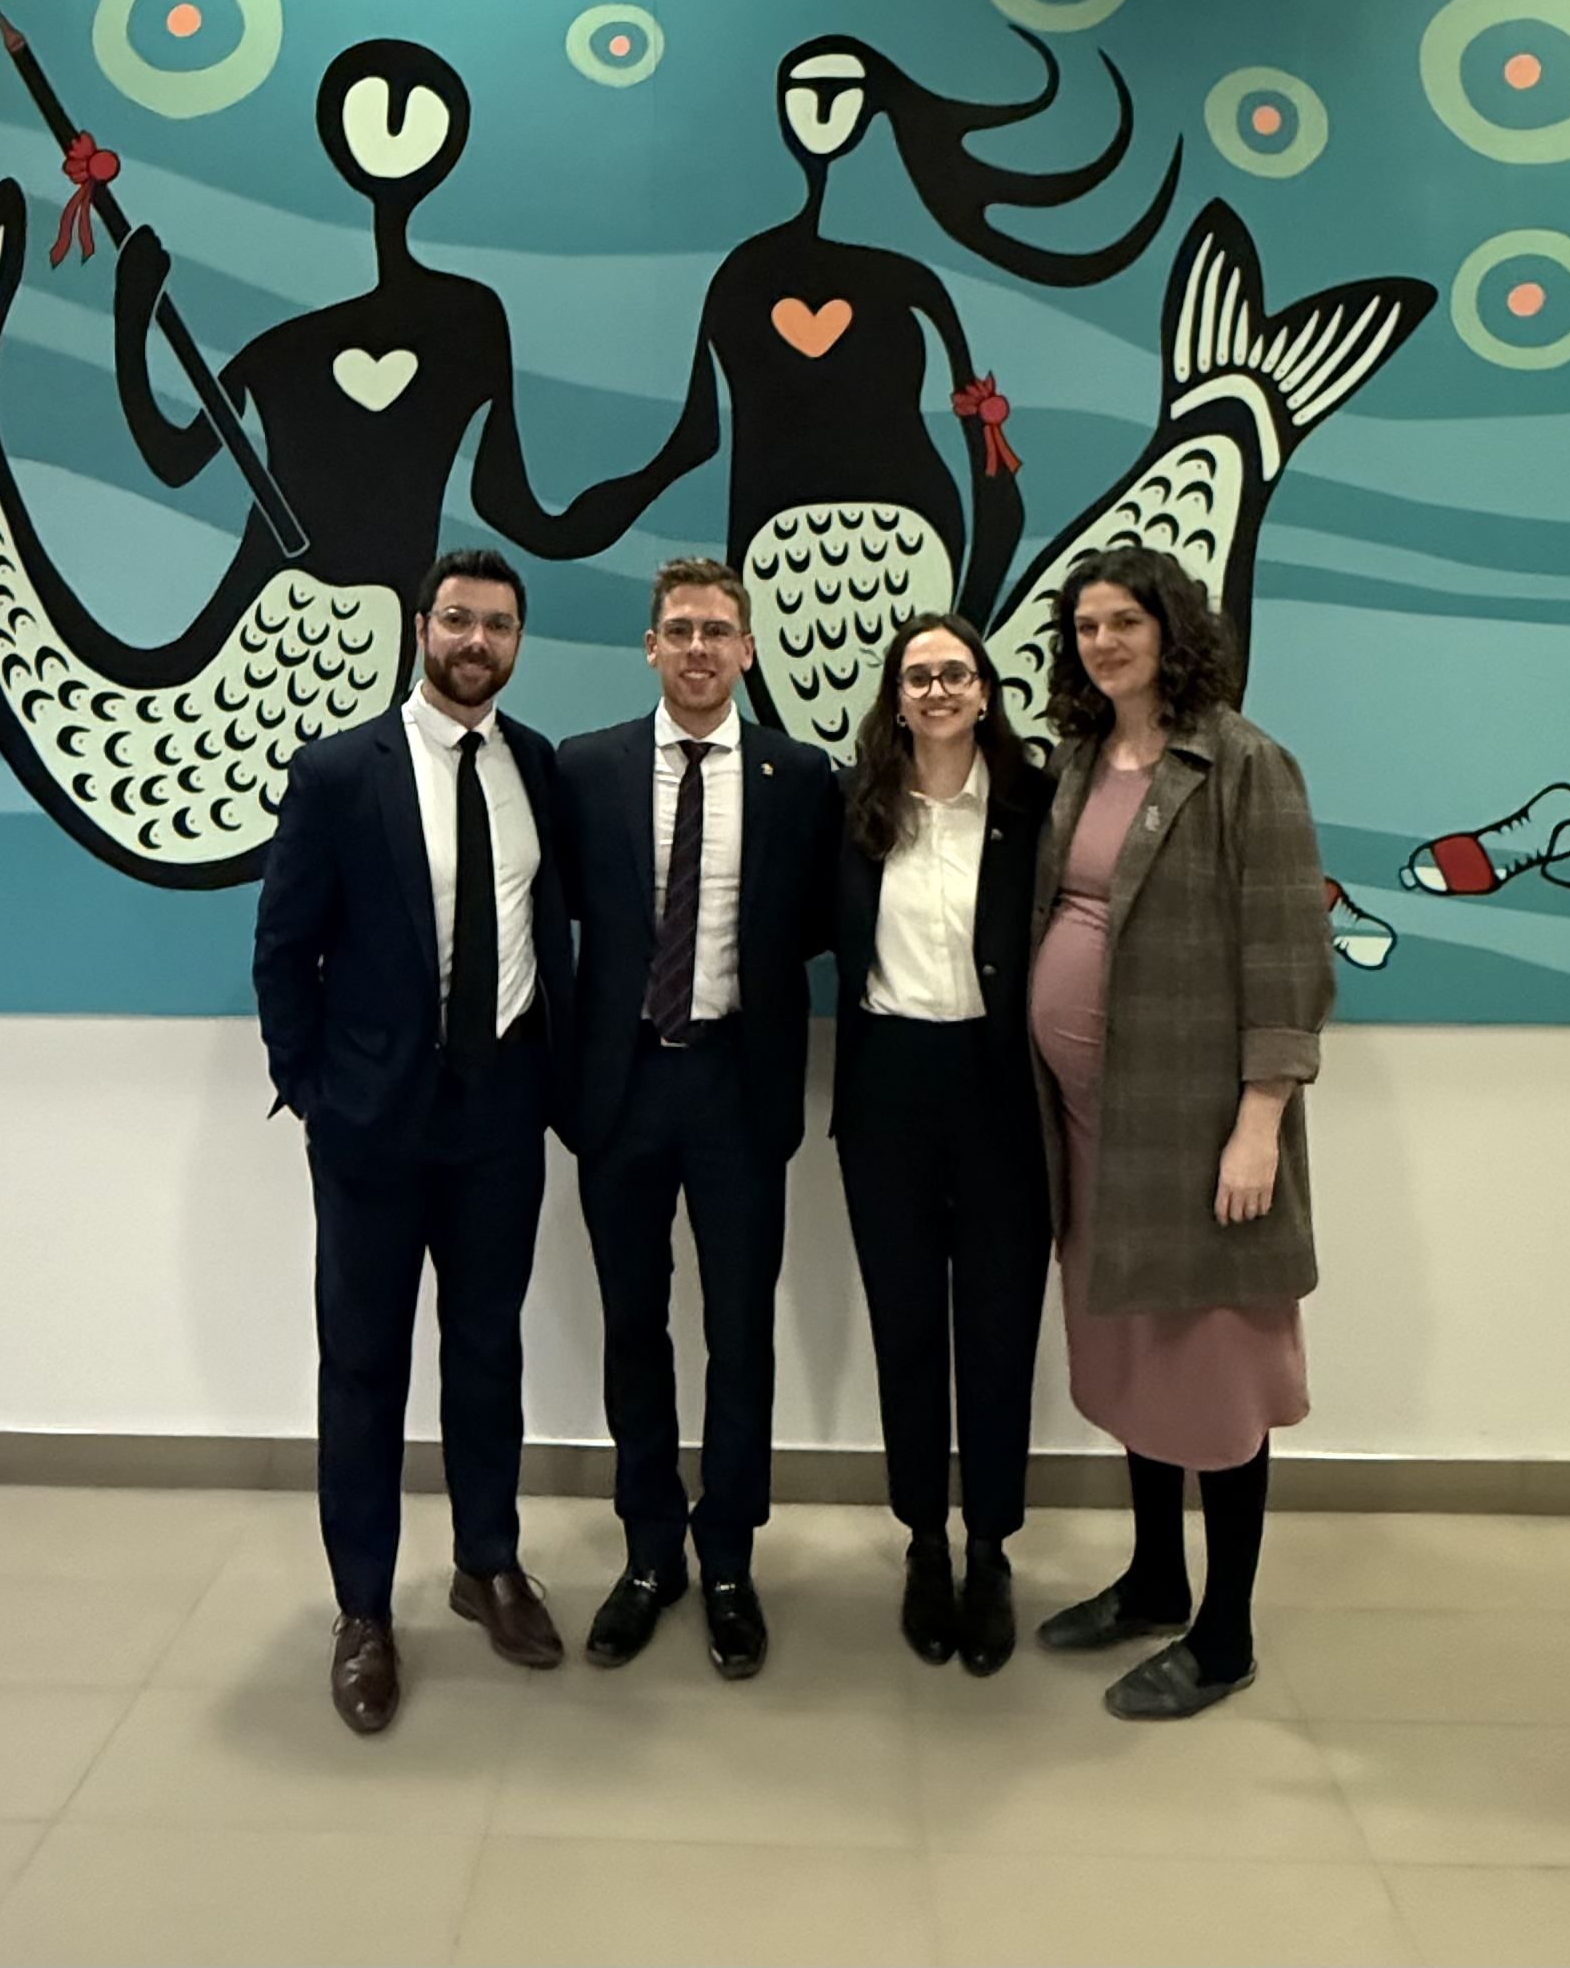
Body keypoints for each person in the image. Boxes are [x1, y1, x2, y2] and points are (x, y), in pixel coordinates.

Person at [253, 547, 576, 1736]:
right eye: (457, 619)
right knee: (363, 1367)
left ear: (516, 640)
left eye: (496, 624)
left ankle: (487, 1561)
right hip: (372, 1126)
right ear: (421, 628)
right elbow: (283, 945)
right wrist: (310, 1088)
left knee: (487, 1348)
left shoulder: (534, 765)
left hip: (500, 1116)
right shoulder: (343, 772)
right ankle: (362, 1609)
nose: (475, 640)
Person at [1028, 544, 1335, 1719]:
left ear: (1170, 628)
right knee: (1131, 1363)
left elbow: (1286, 955)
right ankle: (1154, 1578)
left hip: (1198, 1131)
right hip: (1091, 1127)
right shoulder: (1081, 758)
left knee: (1213, 1380)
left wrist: (1257, 1121)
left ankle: (1224, 1632)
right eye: (1084, 625)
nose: (1101, 642)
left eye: (1122, 621)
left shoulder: (1243, 762)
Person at [558, 559, 840, 1679]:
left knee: (740, 1333)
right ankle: (646, 1552)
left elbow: (820, 918)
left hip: (737, 1084)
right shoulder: (586, 769)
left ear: (748, 649)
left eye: (718, 630)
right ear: (649, 645)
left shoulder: (796, 775)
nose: (697, 648)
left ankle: (726, 1556)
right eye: (678, 628)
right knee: (635, 1328)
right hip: (622, 1086)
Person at [831, 612, 1054, 1676]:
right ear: (895, 693)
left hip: (1001, 1090)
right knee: (907, 1325)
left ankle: (991, 1546)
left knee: (1001, 1328)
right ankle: (923, 1539)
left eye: (952, 673)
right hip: (886, 1095)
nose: (934, 690)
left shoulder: (1030, 803)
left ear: (983, 690)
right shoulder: (855, 807)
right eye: (916, 674)